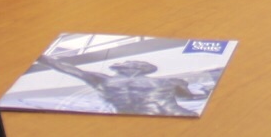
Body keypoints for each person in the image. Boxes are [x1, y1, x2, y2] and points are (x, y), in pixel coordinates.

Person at [35, 55, 214, 117]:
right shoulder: (102, 80)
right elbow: (65, 68)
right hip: (161, 117)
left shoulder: (171, 81)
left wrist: (207, 92)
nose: (123, 63)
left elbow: (190, 98)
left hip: (175, 115)